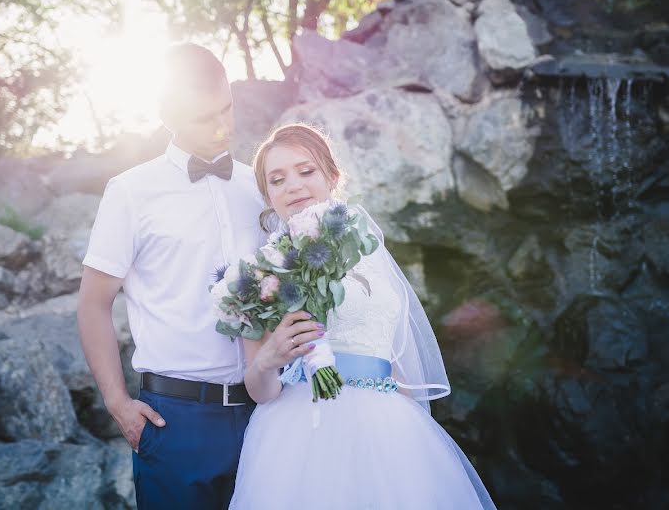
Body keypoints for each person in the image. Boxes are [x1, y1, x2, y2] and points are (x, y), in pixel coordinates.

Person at [76, 43, 321, 510]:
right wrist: (117, 402)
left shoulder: (261, 185)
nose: (223, 127)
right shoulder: (131, 193)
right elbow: (93, 303)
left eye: (227, 109)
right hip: (175, 421)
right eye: (204, 117)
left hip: (268, 412)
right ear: (167, 116)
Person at [229, 124, 498, 510]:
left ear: (332, 176)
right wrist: (270, 359)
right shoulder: (264, 274)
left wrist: (411, 428)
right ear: (268, 195)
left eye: (306, 171)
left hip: (387, 424)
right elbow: (260, 390)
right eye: (277, 179)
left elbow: (388, 352)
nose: (293, 186)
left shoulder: (369, 253)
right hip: (305, 426)